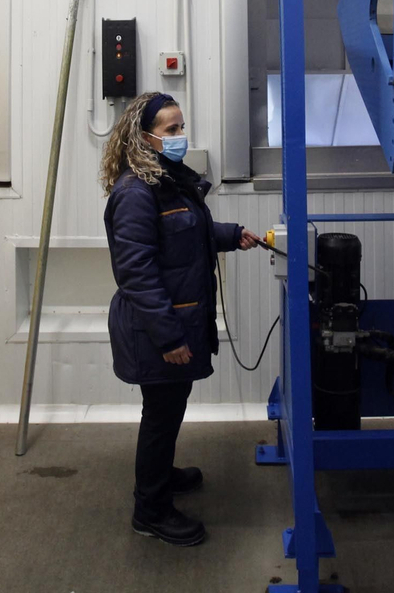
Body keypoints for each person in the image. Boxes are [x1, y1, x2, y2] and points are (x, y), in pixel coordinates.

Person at [102, 91, 262, 547]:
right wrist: (169, 336)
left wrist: (232, 235)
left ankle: (161, 477)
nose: (180, 137)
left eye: (180, 127)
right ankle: (149, 511)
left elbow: (185, 231)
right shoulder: (134, 192)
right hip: (157, 328)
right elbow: (137, 272)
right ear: (145, 136)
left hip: (174, 322)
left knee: (169, 410)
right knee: (161, 413)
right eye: (171, 130)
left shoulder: (166, 181)